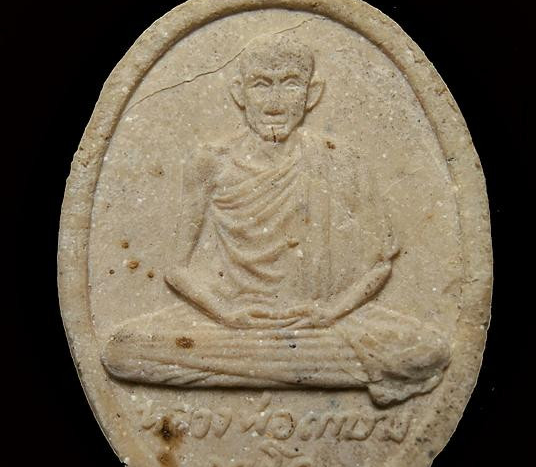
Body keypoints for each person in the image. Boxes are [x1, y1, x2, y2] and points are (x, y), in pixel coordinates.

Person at [102, 33, 450, 405]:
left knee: (426, 349)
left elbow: (380, 266)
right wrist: (227, 313)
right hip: (233, 323)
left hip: (319, 323)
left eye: (290, 84)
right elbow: (176, 270)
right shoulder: (211, 162)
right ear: (239, 93)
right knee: (124, 351)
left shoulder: (341, 160)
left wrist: (328, 312)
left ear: (312, 94)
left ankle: (258, 369)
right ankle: (302, 370)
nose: (275, 101)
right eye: (261, 85)